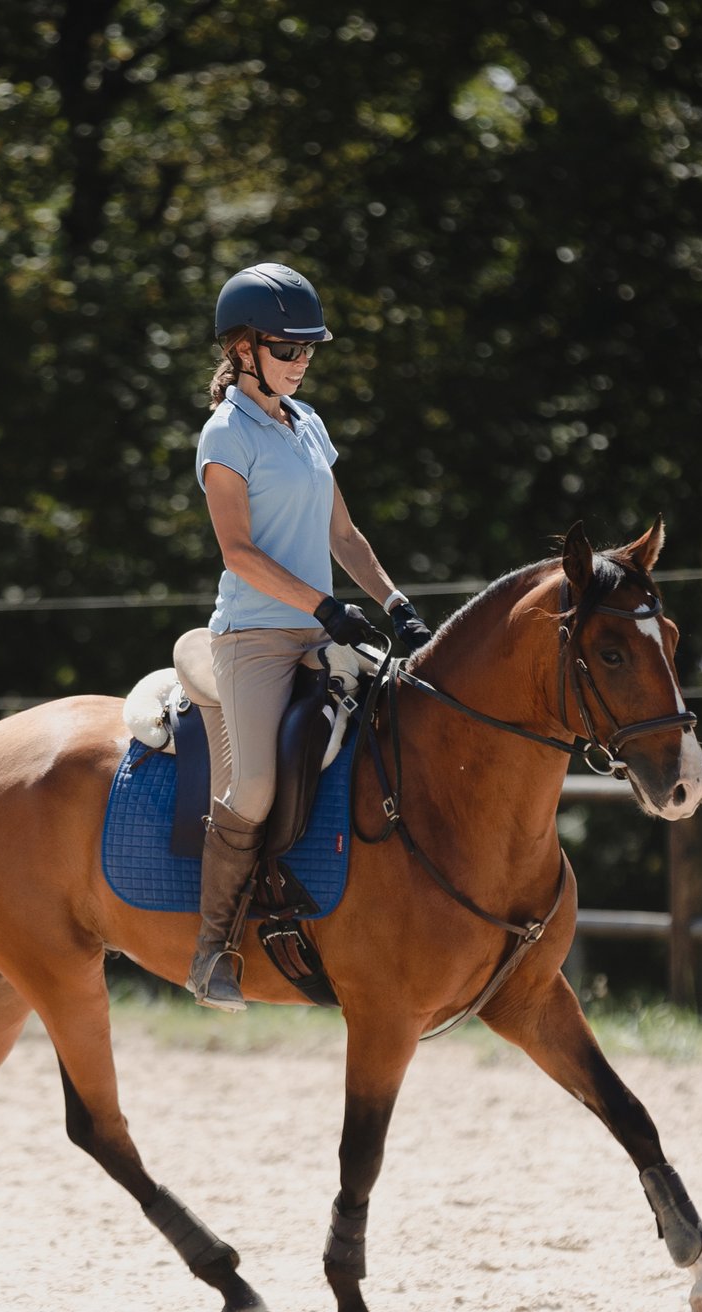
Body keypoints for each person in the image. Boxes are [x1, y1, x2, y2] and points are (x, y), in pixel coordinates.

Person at [187, 262, 436, 1012]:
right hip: (256, 638)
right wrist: (322, 608)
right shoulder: (225, 435)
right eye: (287, 349)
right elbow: (239, 553)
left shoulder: (308, 424)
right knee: (254, 787)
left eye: (308, 351)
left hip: (322, 628)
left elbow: (344, 535)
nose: (301, 363)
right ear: (242, 350)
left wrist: (395, 602)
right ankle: (211, 950)